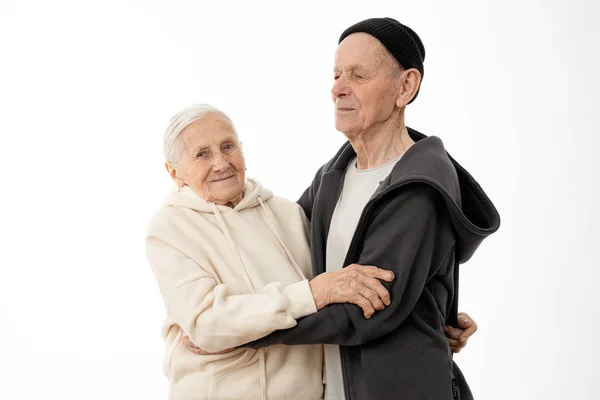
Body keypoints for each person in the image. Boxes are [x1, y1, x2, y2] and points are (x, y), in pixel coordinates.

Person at [218, 17, 501, 400]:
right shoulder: (333, 176)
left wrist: (240, 332)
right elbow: (281, 249)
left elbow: (365, 311)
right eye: (335, 75)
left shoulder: (419, 189)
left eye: (358, 76)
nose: (338, 89)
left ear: (406, 86)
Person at [146, 103, 479, 399]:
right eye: (201, 154)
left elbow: (356, 277)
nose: (221, 163)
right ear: (174, 172)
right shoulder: (169, 229)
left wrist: (434, 315)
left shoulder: (286, 213)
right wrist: (314, 293)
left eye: (228, 146)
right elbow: (208, 323)